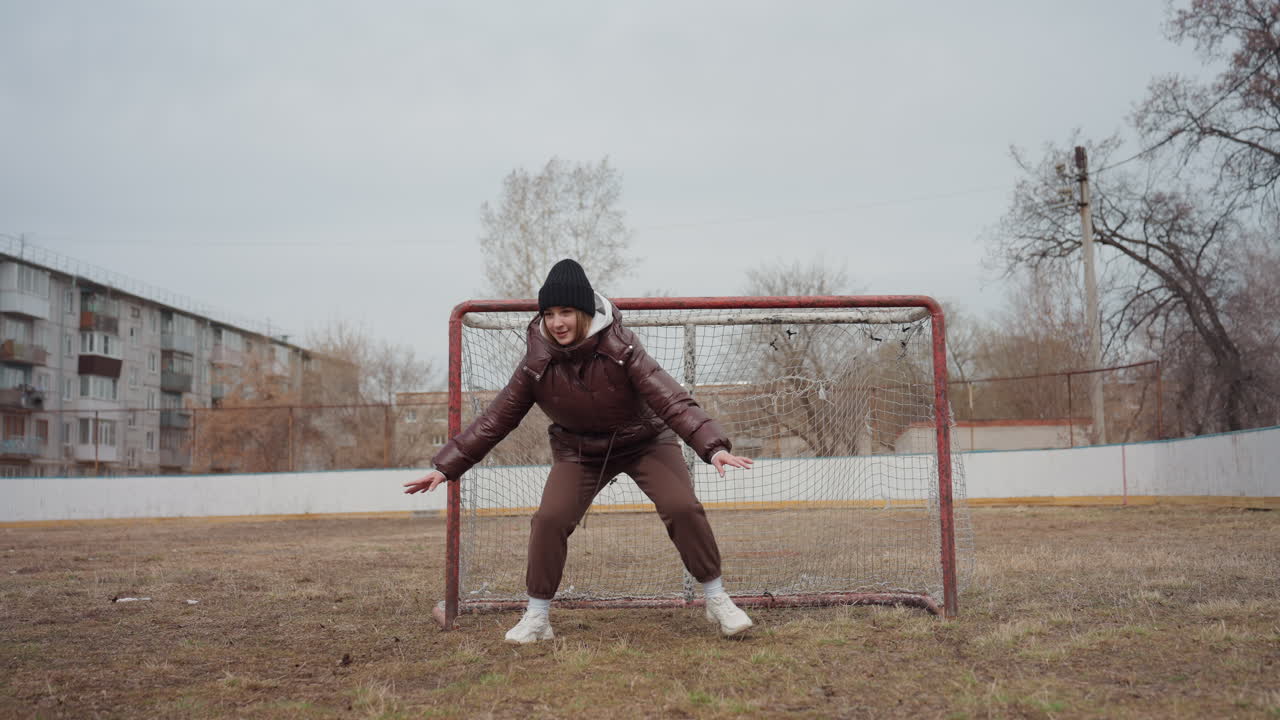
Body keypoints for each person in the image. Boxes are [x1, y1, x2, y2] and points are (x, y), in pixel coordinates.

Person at [404, 259, 755, 644]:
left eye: (566, 312)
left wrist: (712, 446)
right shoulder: (536, 363)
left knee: (682, 506)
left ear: (585, 313)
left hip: (645, 442)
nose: (557, 322)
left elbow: (670, 399)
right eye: (549, 314)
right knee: (548, 520)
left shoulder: (622, 348)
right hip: (580, 452)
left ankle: (716, 598)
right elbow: (495, 419)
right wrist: (446, 466)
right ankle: (538, 616)